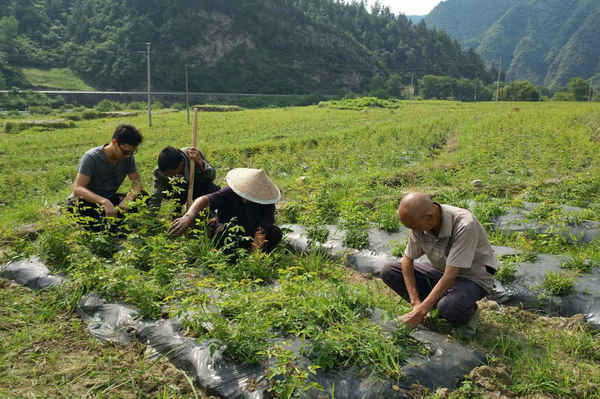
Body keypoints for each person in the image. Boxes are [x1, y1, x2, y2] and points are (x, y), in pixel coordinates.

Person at [381, 192, 499, 335]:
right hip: (443, 269)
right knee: (390, 271)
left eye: (415, 227)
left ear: (429, 218)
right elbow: (407, 260)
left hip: (473, 276)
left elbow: (451, 274)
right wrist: (416, 303)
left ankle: (468, 315)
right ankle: (431, 308)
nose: (414, 231)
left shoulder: (464, 224)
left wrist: (419, 313)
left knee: (450, 306)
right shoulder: (420, 222)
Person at [169, 168, 282, 253]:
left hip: (250, 236)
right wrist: (187, 217)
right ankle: (220, 252)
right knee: (222, 230)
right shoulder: (230, 192)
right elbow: (204, 200)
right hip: (224, 233)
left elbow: (262, 231)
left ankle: (251, 254)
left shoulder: (267, 203)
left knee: (275, 233)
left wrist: (253, 255)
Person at [67, 124, 145, 230]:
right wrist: (103, 202)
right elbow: (78, 189)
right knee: (89, 215)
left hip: (109, 199)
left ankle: (116, 223)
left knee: (143, 197)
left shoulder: (128, 157)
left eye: (132, 152)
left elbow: (137, 184)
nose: (128, 156)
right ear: (114, 142)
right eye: (125, 152)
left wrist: (128, 199)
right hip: (88, 201)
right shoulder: (91, 157)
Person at [149, 146, 220, 213]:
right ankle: (176, 212)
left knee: (213, 190)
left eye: (171, 173)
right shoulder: (160, 171)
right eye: (167, 175)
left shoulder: (193, 156)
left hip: (197, 186)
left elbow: (212, 176)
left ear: (181, 164)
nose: (170, 176)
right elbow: (156, 196)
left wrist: (200, 163)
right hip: (177, 192)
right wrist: (150, 218)